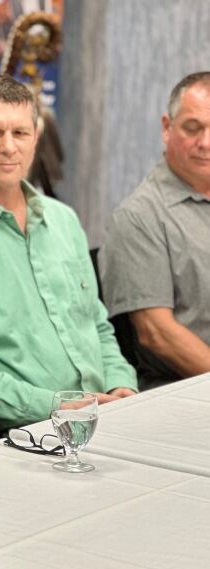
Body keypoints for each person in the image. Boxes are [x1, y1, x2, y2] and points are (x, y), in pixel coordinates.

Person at [0, 75, 136, 433]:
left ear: (35, 137)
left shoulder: (64, 220)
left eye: (20, 133)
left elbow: (96, 324)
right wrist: (62, 407)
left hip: (108, 416)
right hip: (24, 434)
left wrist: (121, 385)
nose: (8, 147)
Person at [100, 72, 210, 389]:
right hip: (184, 392)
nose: (205, 142)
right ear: (166, 127)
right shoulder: (139, 217)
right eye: (193, 128)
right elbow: (156, 333)